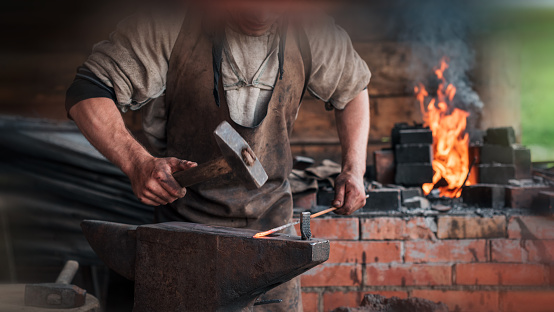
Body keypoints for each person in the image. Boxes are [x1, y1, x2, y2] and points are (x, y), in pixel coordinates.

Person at [66, 1, 371, 311]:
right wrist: (137, 163)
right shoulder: (170, 24)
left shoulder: (310, 30)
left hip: (273, 235)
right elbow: (88, 90)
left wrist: (353, 170)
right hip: (185, 233)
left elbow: (354, 90)